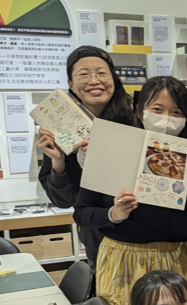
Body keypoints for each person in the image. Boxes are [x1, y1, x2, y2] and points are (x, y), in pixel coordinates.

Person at [73, 76, 187, 305]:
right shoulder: (112, 148)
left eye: (177, 112)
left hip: (173, 263)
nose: (167, 119)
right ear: (139, 109)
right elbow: (82, 213)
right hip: (121, 262)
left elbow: (185, 231)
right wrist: (114, 213)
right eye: (157, 109)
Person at [36, 45, 134, 264]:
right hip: (98, 239)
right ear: (70, 84)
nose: (94, 81)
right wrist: (58, 161)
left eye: (101, 73)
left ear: (113, 79)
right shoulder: (59, 129)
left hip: (143, 233)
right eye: (83, 75)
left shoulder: (135, 118)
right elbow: (64, 201)